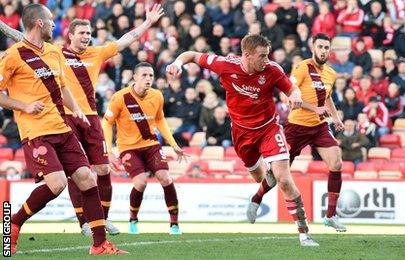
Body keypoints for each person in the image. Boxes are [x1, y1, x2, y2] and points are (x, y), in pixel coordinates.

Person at [0, 4, 165, 236]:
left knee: (101, 169)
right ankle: (83, 223)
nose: (87, 37)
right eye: (82, 33)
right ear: (71, 36)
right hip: (59, 118)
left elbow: (125, 40)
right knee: (72, 176)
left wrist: (148, 24)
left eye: (89, 33)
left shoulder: (94, 54)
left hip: (87, 117)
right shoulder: (54, 51)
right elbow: (22, 37)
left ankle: (101, 223)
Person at [166, 34, 318, 246]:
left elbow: (291, 88)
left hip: (269, 128)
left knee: (283, 179)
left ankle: (304, 234)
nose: (266, 60)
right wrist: (177, 62)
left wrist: (295, 94)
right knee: (260, 177)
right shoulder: (225, 65)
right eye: (262, 56)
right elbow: (191, 55)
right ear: (246, 55)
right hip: (242, 133)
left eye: (267, 55)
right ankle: (258, 195)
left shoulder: (272, 70)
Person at [247, 33, 346, 232]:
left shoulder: (331, 74)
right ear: (313, 47)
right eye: (320, 47)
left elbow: (327, 98)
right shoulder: (302, 68)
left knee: (336, 162)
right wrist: (315, 109)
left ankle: (331, 215)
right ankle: (257, 198)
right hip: (296, 127)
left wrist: (335, 118)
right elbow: (289, 96)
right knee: (277, 176)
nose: (324, 51)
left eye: (327, 48)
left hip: (318, 127)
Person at [102, 62, 186, 235]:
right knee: (140, 182)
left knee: (166, 178)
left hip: (151, 145)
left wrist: (173, 144)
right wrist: (109, 150)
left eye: (151, 76)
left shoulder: (157, 96)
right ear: (134, 77)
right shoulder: (120, 97)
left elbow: (160, 120)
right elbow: (107, 123)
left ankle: (174, 224)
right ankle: (133, 219)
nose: (148, 79)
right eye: (144, 75)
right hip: (128, 148)